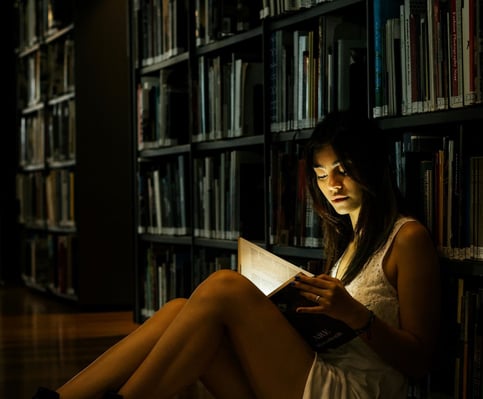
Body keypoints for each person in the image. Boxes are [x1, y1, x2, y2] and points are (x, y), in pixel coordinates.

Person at [33, 110, 441, 399]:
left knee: (226, 287)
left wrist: (358, 317)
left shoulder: (407, 238)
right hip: (315, 371)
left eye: (342, 169)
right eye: (320, 175)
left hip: (354, 390)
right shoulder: (349, 242)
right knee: (179, 310)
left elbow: (420, 359)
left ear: (371, 166)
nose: (330, 184)